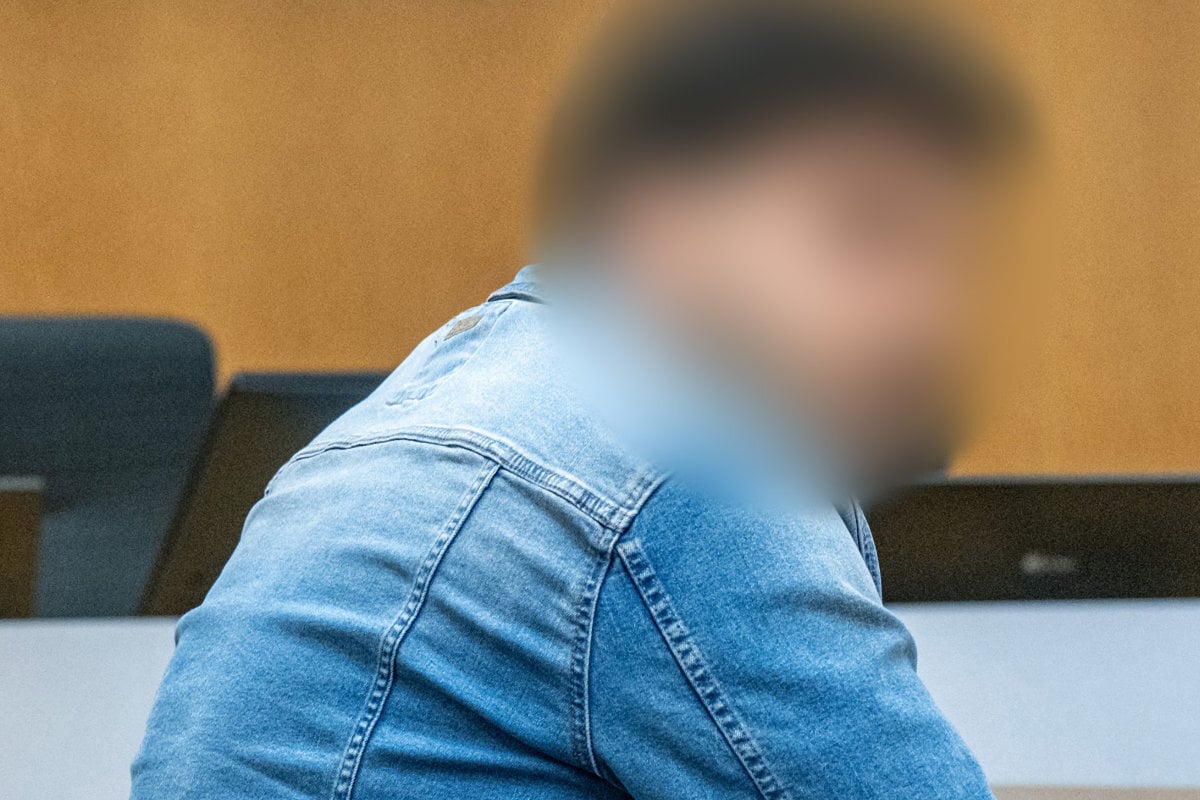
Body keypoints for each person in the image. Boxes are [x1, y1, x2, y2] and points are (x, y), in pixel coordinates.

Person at [132, 1, 1025, 797]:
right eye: (863, 229)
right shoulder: (677, 472)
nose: (918, 317)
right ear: (661, 213)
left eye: (948, 257)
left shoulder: (441, 405)